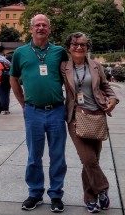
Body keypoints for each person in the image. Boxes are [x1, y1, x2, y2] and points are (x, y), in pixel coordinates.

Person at [10, 14, 69, 213]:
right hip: (33, 111)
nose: (41, 28)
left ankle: (55, 195)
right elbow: (14, 79)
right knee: (34, 156)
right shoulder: (20, 52)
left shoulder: (59, 52)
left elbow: (69, 77)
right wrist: (22, 104)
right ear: (31, 29)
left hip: (56, 111)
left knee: (57, 155)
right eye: (37, 25)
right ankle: (35, 193)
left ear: (49, 29)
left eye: (44, 25)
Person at [61, 32, 119, 213]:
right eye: (75, 44)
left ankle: (90, 199)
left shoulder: (95, 66)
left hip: (97, 116)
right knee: (88, 159)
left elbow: (105, 86)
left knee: (92, 162)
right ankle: (103, 189)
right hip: (76, 117)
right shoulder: (63, 67)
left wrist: (113, 99)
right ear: (69, 47)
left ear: (88, 47)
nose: (79, 47)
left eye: (83, 44)